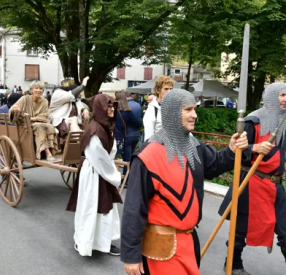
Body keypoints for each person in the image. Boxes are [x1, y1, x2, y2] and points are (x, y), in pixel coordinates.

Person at [121, 89, 249, 275]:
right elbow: (134, 209)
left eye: (194, 109)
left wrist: (230, 149)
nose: (195, 115)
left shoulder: (193, 145)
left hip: (189, 241)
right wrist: (131, 255)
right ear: (173, 112)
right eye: (188, 109)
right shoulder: (148, 156)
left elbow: (215, 165)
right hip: (161, 247)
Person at [218, 82, 286, 274]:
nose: (285, 99)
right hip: (250, 181)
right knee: (240, 230)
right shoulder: (254, 120)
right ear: (272, 97)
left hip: (275, 185)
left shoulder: (284, 122)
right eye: (281, 95)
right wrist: (254, 148)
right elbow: (236, 148)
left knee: (285, 230)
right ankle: (233, 264)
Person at [66, 94, 122, 257]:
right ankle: (83, 241)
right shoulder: (94, 131)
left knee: (107, 208)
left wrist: (112, 170)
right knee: (90, 208)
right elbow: (99, 159)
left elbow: (109, 154)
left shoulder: (106, 127)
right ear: (100, 108)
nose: (112, 109)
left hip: (103, 172)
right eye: (108, 106)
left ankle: (105, 241)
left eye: (113, 106)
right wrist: (115, 177)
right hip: (94, 174)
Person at [10, 81, 58, 161]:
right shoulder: (24, 99)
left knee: (49, 126)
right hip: (25, 124)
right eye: (36, 88)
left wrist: (32, 118)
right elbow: (13, 108)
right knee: (39, 126)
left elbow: (45, 116)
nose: (39, 90)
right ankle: (47, 152)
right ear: (31, 90)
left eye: (41, 88)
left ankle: (51, 150)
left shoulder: (45, 101)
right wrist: (16, 109)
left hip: (39, 122)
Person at [143, 75, 174, 141]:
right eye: (166, 89)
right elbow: (149, 138)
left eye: (171, 89)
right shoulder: (152, 110)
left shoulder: (174, 107)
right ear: (157, 90)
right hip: (159, 148)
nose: (169, 92)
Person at [115, 92, 143, 158]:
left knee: (115, 158)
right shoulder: (128, 111)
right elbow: (139, 123)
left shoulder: (113, 110)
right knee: (128, 159)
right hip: (131, 135)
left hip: (116, 137)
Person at [123, 90, 142, 170]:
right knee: (132, 155)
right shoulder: (138, 105)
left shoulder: (125, 105)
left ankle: (126, 176)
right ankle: (131, 174)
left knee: (126, 157)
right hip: (136, 134)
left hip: (127, 134)